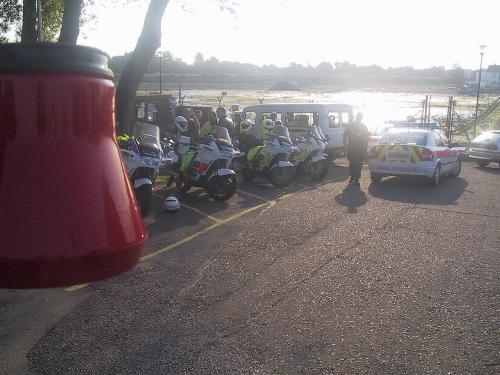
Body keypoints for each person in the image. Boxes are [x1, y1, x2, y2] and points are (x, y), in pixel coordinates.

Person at [343, 113, 369, 185]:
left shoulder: (355, 126)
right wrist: (345, 146)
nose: (359, 118)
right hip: (355, 147)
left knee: (356, 163)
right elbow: (344, 136)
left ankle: (355, 177)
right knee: (354, 163)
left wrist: (345, 146)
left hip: (357, 148)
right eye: (359, 117)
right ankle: (354, 177)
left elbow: (366, 138)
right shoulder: (360, 126)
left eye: (360, 117)